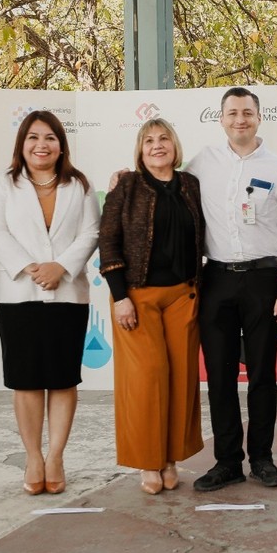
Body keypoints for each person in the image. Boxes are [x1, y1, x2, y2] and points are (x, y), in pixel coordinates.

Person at [186, 88, 277, 492]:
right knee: (219, 377)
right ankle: (226, 462)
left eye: (247, 112)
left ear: (259, 117)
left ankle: (262, 459)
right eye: (232, 112)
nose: (240, 119)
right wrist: (125, 177)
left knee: (261, 376)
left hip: (263, 280)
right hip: (215, 279)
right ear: (221, 118)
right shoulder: (201, 163)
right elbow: (165, 183)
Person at [0, 110, 99, 496]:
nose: (41, 145)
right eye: (33, 138)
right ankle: (33, 456)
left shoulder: (78, 185)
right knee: (27, 381)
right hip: (19, 295)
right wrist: (30, 267)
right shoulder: (4, 183)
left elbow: (92, 232)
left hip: (68, 295)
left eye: (49, 137)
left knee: (63, 379)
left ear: (61, 144)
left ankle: (56, 456)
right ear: (22, 144)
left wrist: (61, 267)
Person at [98, 118, 206, 494]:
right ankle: (148, 460)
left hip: (184, 295)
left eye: (163, 139)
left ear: (175, 146)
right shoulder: (126, 185)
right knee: (148, 378)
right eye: (149, 141)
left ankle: (170, 457)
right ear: (140, 150)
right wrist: (119, 295)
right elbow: (108, 241)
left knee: (180, 379)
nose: (157, 145)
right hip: (138, 296)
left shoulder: (190, 185)